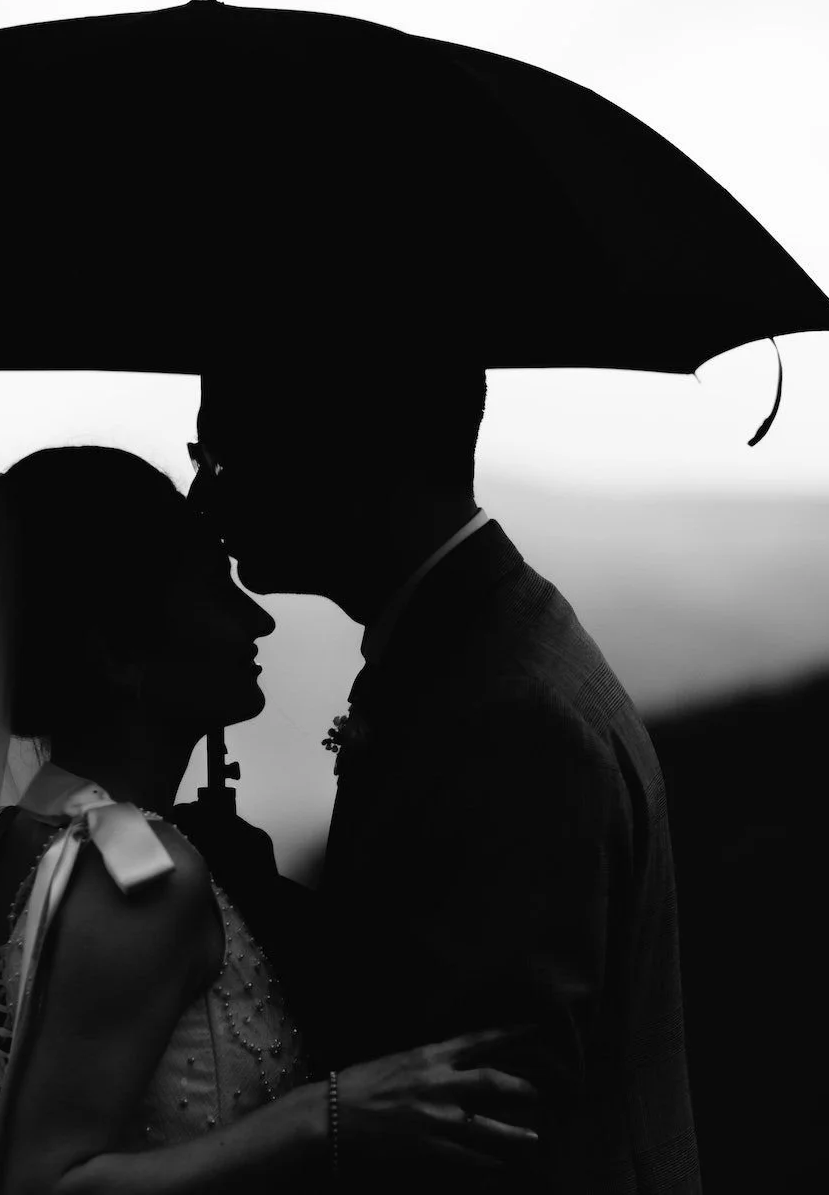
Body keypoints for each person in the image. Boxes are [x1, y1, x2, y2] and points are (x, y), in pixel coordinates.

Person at [0, 446, 540, 1195]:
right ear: (118, 655)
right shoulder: (140, 875)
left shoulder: (17, 838)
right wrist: (326, 1117)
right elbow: (39, 1180)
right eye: (212, 589)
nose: (256, 619)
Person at [185, 361, 703, 1194]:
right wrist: (259, 899)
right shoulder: (474, 650)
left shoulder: (509, 713)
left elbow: (481, 1114)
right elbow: (417, 978)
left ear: (344, 455)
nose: (201, 498)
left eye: (220, 457)